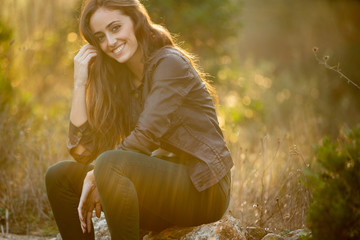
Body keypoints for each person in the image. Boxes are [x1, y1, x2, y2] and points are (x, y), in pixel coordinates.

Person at [45, 0, 233, 239]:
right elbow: (83, 151)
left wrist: (96, 176)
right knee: (59, 176)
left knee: (109, 164)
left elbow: (145, 136)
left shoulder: (170, 64)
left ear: (135, 20)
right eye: (100, 37)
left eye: (115, 28)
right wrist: (80, 82)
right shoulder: (120, 80)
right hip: (158, 193)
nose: (110, 42)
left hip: (203, 190)